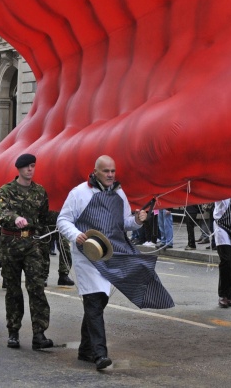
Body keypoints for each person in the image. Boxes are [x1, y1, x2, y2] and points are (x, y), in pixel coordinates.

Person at [56, 155, 173, 372]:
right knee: (94, 299)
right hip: (87, 255)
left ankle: (85, 348)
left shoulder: (119, 193)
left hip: (111, 254)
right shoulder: (79, 192)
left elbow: (125, 223)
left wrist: (137, 221)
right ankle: (100, 354)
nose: (110, 175)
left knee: (99, 301)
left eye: (112, 171)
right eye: (106, 171)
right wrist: (76, 235)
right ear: (95, 171)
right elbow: (63, 220)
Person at [0, 153, 55, 350]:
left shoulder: (39, 191)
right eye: (27, 166)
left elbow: (45, 217)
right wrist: (15, 218)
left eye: (33, 166)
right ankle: (13, 332)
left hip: (33, 245)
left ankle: (39, 333)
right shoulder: (7, 190)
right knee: (12, 290)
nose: (30, 169)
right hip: (11, 244)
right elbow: (2, 212)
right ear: (18, 168)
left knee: (36, 288)